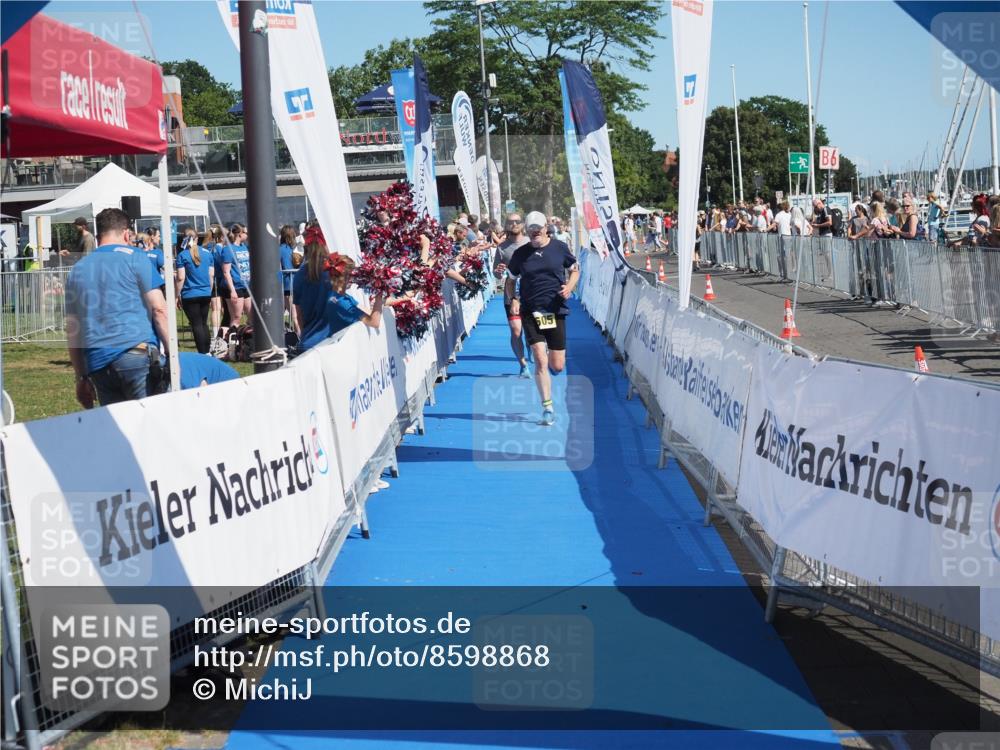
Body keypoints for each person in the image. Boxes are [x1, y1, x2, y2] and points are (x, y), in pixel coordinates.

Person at [65, 208, 171, 408]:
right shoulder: (136, 257)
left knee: (118, 431)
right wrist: (173, 356)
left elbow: (72, 330)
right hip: (136, 354)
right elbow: (159, 310)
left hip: (98, 363)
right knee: (151, 424)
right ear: (126, 233)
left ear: (98, 235)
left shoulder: (77, 270)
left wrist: (80, 378)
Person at [506, 211, 579, 426]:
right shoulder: (520, 254)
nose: (536, 231)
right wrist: (514, 300)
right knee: (539, 358)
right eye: (531, 229)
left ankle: (550, 357)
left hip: (555, 310)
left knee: (556, 366)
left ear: (546, 227)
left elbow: (575, 270)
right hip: (531, 311)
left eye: (539, 228)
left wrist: (570, 287)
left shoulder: (559, 248)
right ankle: (547, 407)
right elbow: (510, 282)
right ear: (527, 231)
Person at [292, 225, 385, 352]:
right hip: (329, 347)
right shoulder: (332, 273)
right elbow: (372, 320)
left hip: (307, 344)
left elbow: (298, 315)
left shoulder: (299, 275)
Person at [494, 213, 531, 377]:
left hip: (533, 293)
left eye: (517, 221)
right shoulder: (501, 248)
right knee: (516, 331)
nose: (514, 224)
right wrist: (497, 271)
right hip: (511, 294)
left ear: (523, 224)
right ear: (506, 225)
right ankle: (523, 365)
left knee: (533, 331)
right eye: (511, 222)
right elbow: (496, 273)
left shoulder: (532, 243)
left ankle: (532, 345)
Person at [175, 229, 214, 354]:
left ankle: (202, 353)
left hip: (189, 294)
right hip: (205, 292)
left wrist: (177, 295)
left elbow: (180, 278)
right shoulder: (208, 254)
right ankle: (207, 352)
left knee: (196, 324)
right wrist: (209, 291)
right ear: (197, 238)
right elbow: (211, 275)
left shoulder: (182, 255)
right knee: (204, 323)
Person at [221, 223, 251, 326]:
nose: (247, 235)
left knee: (252, 315)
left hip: (245, 285)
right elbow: (226, 271)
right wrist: (232, 290)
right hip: (235, 286)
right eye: (246, 232)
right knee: (236, 317)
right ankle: (233, 340)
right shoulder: (228, 249)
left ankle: (247, 339)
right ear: (239, 234)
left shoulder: (244, 247)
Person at [279, 224, 297, 332]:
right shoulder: (293, 249)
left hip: (286, 285)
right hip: (293, 284)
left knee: (294, 315)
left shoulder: (280, 249)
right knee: (295, 315)